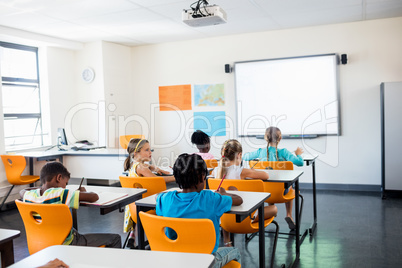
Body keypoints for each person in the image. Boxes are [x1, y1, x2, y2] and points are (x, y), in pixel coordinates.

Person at [156, 153, 242, 268]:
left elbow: (157, 196)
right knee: (235, 251)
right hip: (206, 261)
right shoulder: (211, 198)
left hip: (175, 259)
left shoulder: (166, 199)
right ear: (202, 177)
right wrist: (223, 194)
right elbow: (239, 200)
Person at [20, 162, 121, 248]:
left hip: (40, 244)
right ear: (59, 177)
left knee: (73, 230)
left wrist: (41, 189)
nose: (65, 187)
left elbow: (22, 191)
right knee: (115, 238)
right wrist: (83, 191)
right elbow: (94, 197)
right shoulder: (61, 193)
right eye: (66, 183)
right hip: (67, 244)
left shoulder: (28, 195)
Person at [242, 126, 304, 229]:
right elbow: (300, 162)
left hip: (264, 192)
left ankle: (271, 211)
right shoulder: (284, 152)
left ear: (265, 138)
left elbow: (244, 157)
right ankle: (289, 215)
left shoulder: (260, 152)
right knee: (289, 185)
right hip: (281, 192)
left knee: (269, 181)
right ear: (280, 138)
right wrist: (298, 154)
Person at [123, 138, 175, 249]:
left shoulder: (134, 165)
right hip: (149, 207)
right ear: (136, 153)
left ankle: (133, 235)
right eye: (147, 150)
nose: (150, 152)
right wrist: (175, 177)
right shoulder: (142, 167)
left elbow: (147, 167)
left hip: (134, 206)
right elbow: (158, 181)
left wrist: (155, 168)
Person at [212, 139, 277, 223]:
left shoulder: (216, 171)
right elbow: (266, 175)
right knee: (274, 209)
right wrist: (252, 171)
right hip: (245, 217)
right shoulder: (241, 171)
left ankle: (227, 236)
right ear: (239, 155)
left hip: (223, 219)